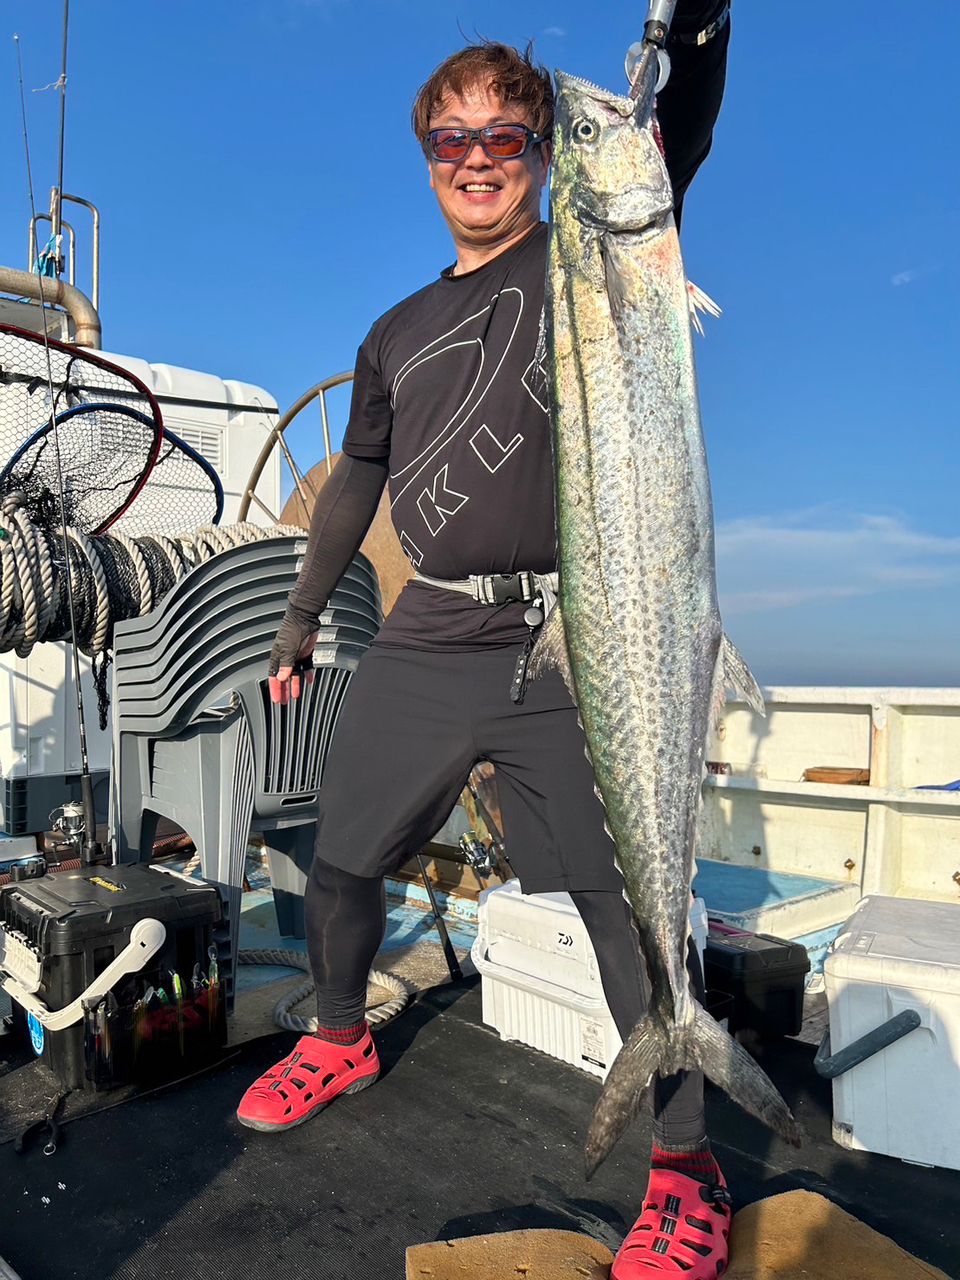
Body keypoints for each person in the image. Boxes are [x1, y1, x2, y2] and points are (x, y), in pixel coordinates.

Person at [238, 8, 732, 1276]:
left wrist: (707, 27)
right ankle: (339, 1031)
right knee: (340, 860)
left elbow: (677, 139)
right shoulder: (397, 326)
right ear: (427, 154)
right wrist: (301, 618)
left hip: (572, 629)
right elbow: (355, 477)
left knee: (627, 906)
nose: (478, 154)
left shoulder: (587, 255)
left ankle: (685, 1169)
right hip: (432, 625)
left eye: (505, 133)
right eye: (451, 136)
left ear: (539, 155)